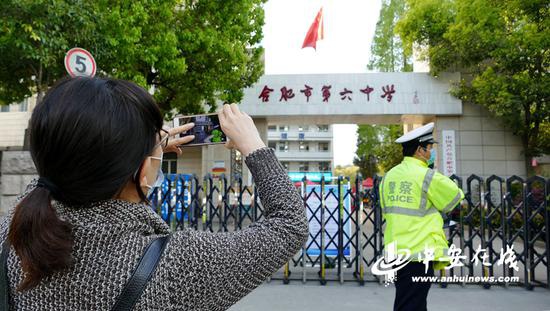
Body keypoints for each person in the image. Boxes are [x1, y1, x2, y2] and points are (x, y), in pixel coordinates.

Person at [0, 77, 308, 310]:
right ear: (145, 170)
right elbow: (289, 225)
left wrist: (144, 151)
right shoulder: (176, 266)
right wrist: (253, 146)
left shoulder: (9, 235)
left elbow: (53, 175)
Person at [379, 122, 464, 311]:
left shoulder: (389, 177)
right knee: (412, 304)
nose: (431, 152)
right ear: (420, 150)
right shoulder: (426, 175)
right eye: (430, 148)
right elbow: (455, 197)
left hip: (396, 250)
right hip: (419, 253)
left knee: (408, 299)